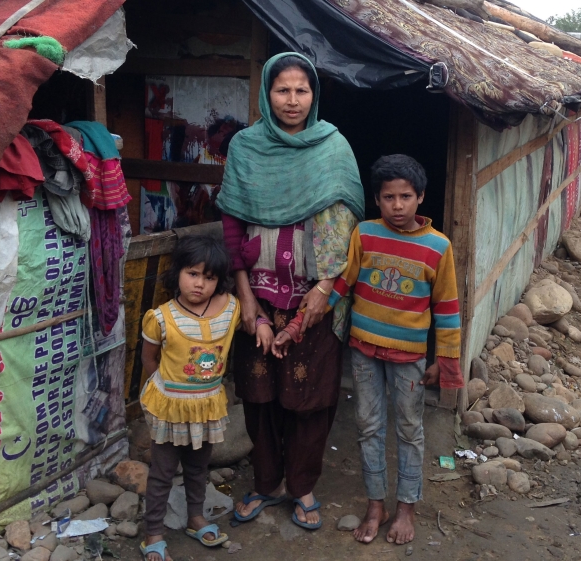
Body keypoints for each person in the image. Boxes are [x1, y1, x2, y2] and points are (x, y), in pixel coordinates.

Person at [275, 154, 464, 545]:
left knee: (410, 431)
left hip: (410, 358)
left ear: (421, 197)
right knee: (368, 427)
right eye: (388, 197)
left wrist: (445, 363)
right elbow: (341, 286)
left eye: (406, 197)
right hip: (363, 351)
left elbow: (446, 309)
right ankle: (375, 505)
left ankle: (406, 507)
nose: (397, 206)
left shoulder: (438, 247)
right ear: (376, 200)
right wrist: (299, 324)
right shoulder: (365, 234)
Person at [215, 52, 366, 530]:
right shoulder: (245, 147)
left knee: (312, 397)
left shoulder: (333, 146)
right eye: (283, 90)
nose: (293, 100)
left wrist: (324, 293)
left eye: (302, 90)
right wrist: (246, 300)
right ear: (267, 93)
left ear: (314, 95)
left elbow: (346, 229)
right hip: (258, 292)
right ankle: (266, 483)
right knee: (259, 395)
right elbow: (233, 225)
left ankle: (302, 486)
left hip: (314, 297)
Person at [138, 235, 267, 560]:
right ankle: (153, 533)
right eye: (192, 274)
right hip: (170, 410)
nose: (199, 284)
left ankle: (196, 518)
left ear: (219, 281)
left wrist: (263, 323)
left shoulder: (231, 309)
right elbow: (148, 360)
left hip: (207, 407)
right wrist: (156, 394)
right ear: (178, 272)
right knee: (162, 472)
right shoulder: (162, 318)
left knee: (199, 467)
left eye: (209, 278)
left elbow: (253, 314)